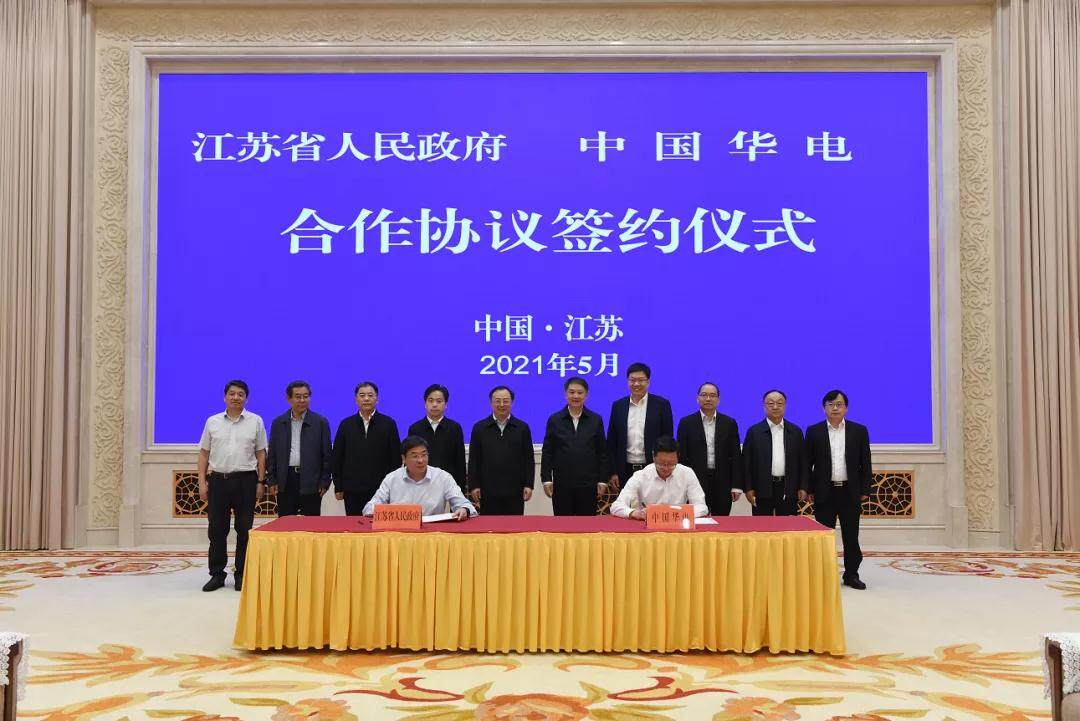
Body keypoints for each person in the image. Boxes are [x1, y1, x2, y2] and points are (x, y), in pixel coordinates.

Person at [197, 379, 266, 592]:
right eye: (232, 394)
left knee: (244, 530)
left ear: (246, 398)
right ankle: (217, 574)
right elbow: (204, 453)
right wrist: (201, 482)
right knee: (217, 530)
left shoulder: (255, 421)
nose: (236, 397)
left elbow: (261, 453)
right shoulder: (213, 422)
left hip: (246, 481)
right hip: (218, 481)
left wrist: (260, 481)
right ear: (225, 397)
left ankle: (241, 574)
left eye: (241, 394)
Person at [804, 389, 873, 590]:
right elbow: (807, 463)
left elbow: (865, 462)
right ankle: (824, 575)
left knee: (851, 536)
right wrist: (808, 488)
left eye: (839, 404)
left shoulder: (859, 431)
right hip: (824, 492)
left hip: (849, 492)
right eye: (831, 404)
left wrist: (865, 489)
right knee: (824, 536)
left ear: (846, 408)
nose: (835, 408)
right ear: (824, 408)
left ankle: (851, 574)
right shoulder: (814, 431)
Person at [540, 377, 609, 516]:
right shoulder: (555, 420)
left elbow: (602, 452)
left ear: (586, 395)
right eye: (571, 392)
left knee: (586, 525)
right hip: (562, 484)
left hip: (588, 485)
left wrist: (602, 480)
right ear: (565, 394)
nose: (575, 396)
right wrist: (546, 479)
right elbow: (548, 452)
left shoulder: (595, 420)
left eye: (580, 392)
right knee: (563, 525)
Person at [363, 436, 477, 519]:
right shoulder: (392, 478)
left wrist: (464, 510)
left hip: (434, 534)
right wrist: (392, 511)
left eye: (424, 455)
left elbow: (466, 506)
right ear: (403, 458)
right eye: (415, 456)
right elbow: (368, 509)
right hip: (399, 532)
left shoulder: (443, 477)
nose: (420, 460)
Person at [332, 382, 401, 515]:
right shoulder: (346, 424)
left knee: (379, 525)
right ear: (356, 399)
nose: (366, 399)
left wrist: (393, 486)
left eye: (370, 395)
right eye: (362, 395)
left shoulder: (388, 424)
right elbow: (337, 457)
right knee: (354, 524)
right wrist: (338, 486)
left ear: (377, 399)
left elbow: (395, 459)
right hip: (352, 489)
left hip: (381, 489)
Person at [265, 381, 332, 517]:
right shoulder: (279, 423)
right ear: (289, 398)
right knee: (286, 522)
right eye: (298, 397)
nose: (302, 400)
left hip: (311, 480)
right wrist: (272, 480)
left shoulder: (320, 422)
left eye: (306, 396)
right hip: (286, 480)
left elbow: (327, 455)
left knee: (311, 523)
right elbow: (272, 455)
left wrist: (325, 481)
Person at [676, 382, 743, 516]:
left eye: (712, 395)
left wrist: (736, 485)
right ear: (697, 398)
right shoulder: (686, 423)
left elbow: (736, 455)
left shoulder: (729, 423)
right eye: (704, 395)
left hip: (723, 481)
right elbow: (681, 456)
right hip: (695, 480)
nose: (708, 399)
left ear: (718, 399)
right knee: (697, 519)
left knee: (721, 520)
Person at [606, 362, 674, 492]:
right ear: (627, 381)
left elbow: (667, 439)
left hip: (653, 468)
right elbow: (612, 441)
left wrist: (664, 467)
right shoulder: (618, 406)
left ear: (648, 381)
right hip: (624, 470)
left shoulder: (661, 405)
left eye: (641, 380)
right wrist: (613, 472)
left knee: (652, 503)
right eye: (632, 380)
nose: (636, 384)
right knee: (628, 503)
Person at [467, 385, 535, 515]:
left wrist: (529, 484)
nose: (502, 405)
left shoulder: (522, 428)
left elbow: (528, 459)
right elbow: (474, 459)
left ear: (512, 402)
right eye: (497, 401)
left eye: (506, 401)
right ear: (491, 403)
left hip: (515, 490)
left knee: (514, 525)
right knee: (489, 525)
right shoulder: (479, 428)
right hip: (487, 490)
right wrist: (474, 485)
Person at [610, 436, 709, 519]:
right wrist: (634, 513)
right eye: (661, 464)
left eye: (671, 464)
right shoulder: (640, 476)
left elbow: (702, 507)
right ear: (653, 457)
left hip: (678, 525)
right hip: (648, 528)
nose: (666, 468)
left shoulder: (687, 473)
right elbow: (616, 506)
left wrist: (680, 514)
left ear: (678, 457)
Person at [742, 389, 805, 516]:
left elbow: (803, 462)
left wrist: (803, 487)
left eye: (779, 403)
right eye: (770, 403)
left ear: (785, 406)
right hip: (761, 488)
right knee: (762, 526)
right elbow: (746, 463)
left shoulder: (795, 432)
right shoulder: (754, 432)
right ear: (764, 406)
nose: (775, 407)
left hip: (788, 488)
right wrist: (748, 488)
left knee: (787, 526)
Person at [407, 384, 467, 493]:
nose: (434, 404)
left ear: (446, 404)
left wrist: (460, 488)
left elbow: (460, 461)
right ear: (425, 404)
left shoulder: (454, 428)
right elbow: (410, 460)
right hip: (420, 485)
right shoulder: (415, 428)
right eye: (431, 401)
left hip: (448, 486)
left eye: (439, 401)